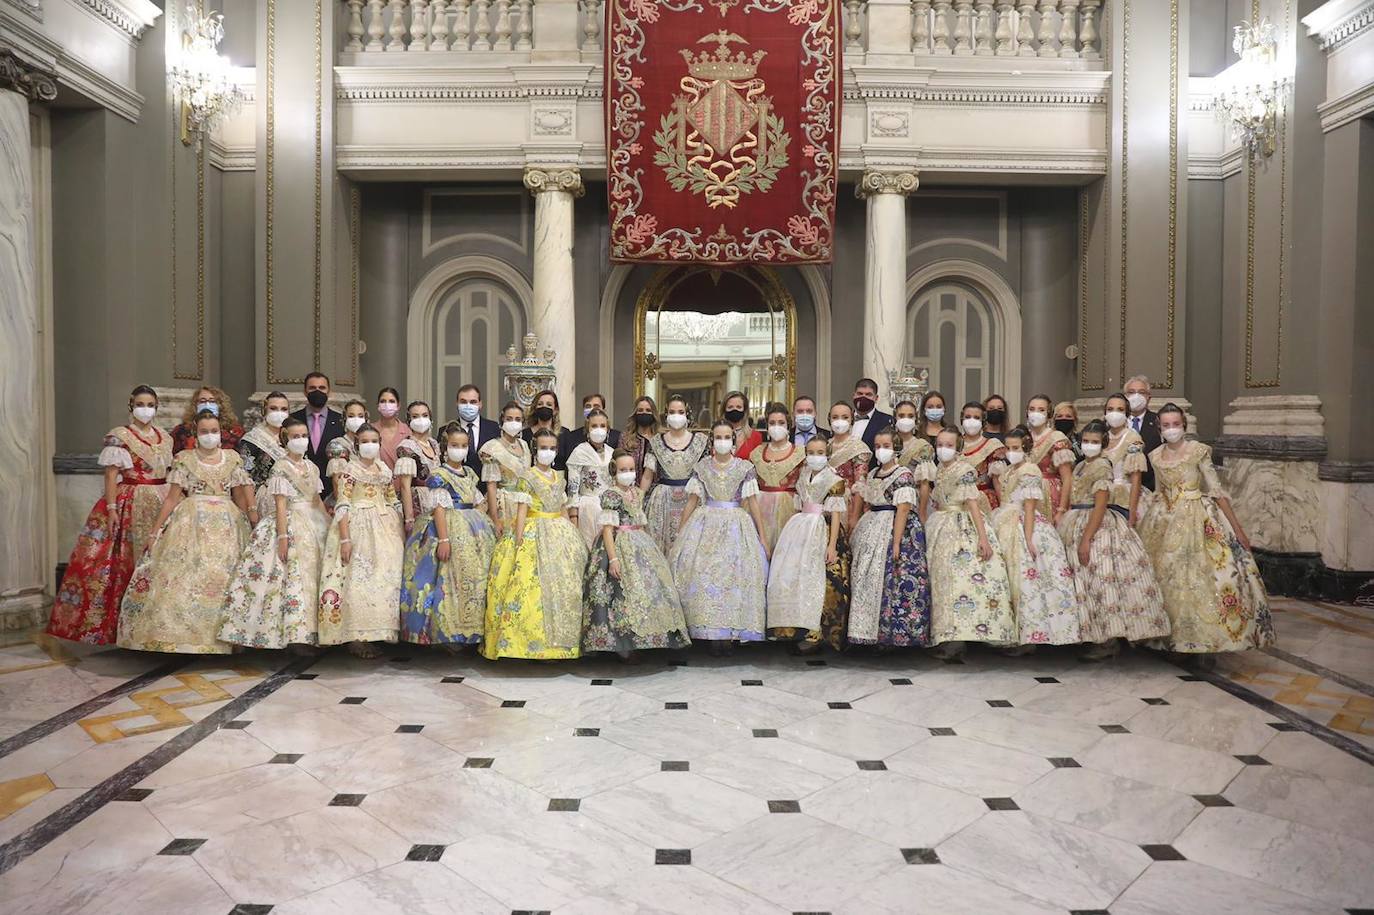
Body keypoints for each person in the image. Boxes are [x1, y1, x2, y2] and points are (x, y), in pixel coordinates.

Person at [1137, 404, 1274, 654]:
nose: (1171, 429)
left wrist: (1238, 530)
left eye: (1175, 424)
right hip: (1163, 520)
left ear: (1184, 426)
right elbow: (1158, 491)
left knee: (1201, 577)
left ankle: (1204, 640)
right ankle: (1169, 637)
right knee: (1166, 578)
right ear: (1159, 428)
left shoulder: (1198, 451)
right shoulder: (1155, 455)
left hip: (1197, 517)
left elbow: (1216, 490)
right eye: (1166, 425)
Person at [117, 410, 254, 654]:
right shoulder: (184, 459)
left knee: (227, 576)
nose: (210, 436)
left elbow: (240, 497)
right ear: (195, 434)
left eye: (214, 431)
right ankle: (186, 637)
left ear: (220, 432)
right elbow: (171, 499)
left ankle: (228, 637)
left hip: (228, 522)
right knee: (187, 574)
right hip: (191, 519)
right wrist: (154, 531)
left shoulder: (232, 458)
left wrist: (251, 525)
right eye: (204, 432)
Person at [48, 386, 172, 645]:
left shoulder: (165, 437)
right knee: (124, 560)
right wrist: (113, 508)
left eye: (150, 404)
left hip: (162, 498)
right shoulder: (121, 436)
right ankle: (122, 625)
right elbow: (111, 475)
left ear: (157, 407)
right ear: (131, 406)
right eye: (140, 403)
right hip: (131, 499)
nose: (145, 408)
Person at [1057, 419, 1170, 660]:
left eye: (1095, 442)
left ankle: (1107, 639)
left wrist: (1087, 538)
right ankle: (1090, 633)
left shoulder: (1102, 467)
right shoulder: (1080, 467)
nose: (1089, 445)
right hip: (1075, 520)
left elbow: (1100, 505)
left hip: (1095, 526)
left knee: (1101, 579)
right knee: (1083, 582)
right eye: (1086, 441)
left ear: (1103, 444)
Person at [219, 416, 330, 650]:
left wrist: (329, 525)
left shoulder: (312, 466)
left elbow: (317, 499)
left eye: (303, 436)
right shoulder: (281, 467)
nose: (300, 441)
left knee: (316, 576)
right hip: (289, 521)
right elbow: (280, 505)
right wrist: (282, 537)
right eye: (295, 437)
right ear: (285, 439)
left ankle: (315, 632)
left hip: (313, 521)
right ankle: (293, 635)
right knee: (289, 578)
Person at [483, 428, 589, 660]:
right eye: (543, 448)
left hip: (558, 530)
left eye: (552, 449)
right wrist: (519, 540)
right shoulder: (527, 477)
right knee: (527, 586)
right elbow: (522, 510)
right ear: (535, 449)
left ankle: (562, 643)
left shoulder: (559, 477)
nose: (547, 453)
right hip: (532, 528)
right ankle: (525, 644)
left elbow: (561, 507)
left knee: (564, 583)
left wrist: (570, 531)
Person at [670, 419, 770, 654]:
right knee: (705, 577)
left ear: (733, 441)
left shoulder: (744, 468)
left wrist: (762, 537)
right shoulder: (702, 467)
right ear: (712, 441)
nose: (722, 441)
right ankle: (711, 633)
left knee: (734, 578)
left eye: (727, 437)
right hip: (705, 524)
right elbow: (691, 502)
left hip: (736, 523)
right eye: (718, 437)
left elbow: (753, 504)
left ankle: (731, 633)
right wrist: (680, 534)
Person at [582, 449, 692, 659]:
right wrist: (613, 559)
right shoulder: (611, 495)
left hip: (638, 541)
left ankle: (649, 638)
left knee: (648, 588)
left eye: (632, 469)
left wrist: (649, 548)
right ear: (615, 471)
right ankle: (624, 647)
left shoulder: (636, 493)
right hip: (617, 544)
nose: (628, 473)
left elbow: (640, 521)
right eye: (623, 469)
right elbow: (607, 529)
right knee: (619, 593)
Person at [398, 424, 495, 648]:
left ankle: (472, 632)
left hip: (472, 528)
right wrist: (443, 538)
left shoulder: (470, 472)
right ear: (445, 446)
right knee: (446, 579)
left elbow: (478, 500)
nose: (458, 449)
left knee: (473, 579)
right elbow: (439, 508)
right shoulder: (439, 475)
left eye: (463, 446)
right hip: (447, 528)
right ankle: (448, 633)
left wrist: (478, 520)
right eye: (454, 445)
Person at [925, 426, 1015, 659]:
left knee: (962, 582)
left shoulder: (963, 469)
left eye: (949, 445)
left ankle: (962, 638)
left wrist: (983, 538)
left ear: (959, 448)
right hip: (942, 525)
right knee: (944, 582)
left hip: (962, 527)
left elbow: (973, 504)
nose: (943, 449)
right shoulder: (939, 470)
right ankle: (948, 635)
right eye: (940, 445)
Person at [989, 426, 1083, 649]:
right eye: (1009, 448)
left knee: (1027, 580)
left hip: (1023, 525)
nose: (1012, 452)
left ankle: (1032, 636)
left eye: (1016, 448)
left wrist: (1029, 537)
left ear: (1026, 447)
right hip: (1005, 520)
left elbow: (1029, 506)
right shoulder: (1012, 470)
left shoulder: (1029, 469)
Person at [318, 423, 404, 658]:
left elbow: (392, 498)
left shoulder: (384, 468)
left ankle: (380, 632)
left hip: (385, 524)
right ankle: (355, 637)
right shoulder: (350, 470)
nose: (370, 445)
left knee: (386, 578)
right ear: (357, 444)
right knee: (358, 579)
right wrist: (345, 539)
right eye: (365, 441)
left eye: (374, 441)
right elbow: (343, 502)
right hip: (357, 524)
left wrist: (403, 524)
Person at [848, 427, 932, 648]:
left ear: (895, 448)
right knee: (865, 578)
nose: (881, 450)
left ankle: (892, 636)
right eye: (877, 446)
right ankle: (866, 632)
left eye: (885, 446)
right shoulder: (874, 473)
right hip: (872, 524)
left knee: (892, 580)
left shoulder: (903, 474)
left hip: (894, 528)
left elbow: (903, 509)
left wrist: (896, 542)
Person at [767, 437, 850, 652]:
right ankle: (796, 628)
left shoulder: (834, 480)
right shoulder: (804, 475)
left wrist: (832, 546)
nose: (815, 456)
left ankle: (817, 634)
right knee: (795, 577)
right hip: (801, 527)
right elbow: (799, 505)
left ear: (827, 453)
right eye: (811, 452)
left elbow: (836, 514)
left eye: (820, 452)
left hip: (822, 528)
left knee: (820, 581)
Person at [642, 395, 708, 554]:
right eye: (672, 412)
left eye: (680, 411)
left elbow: (706, 475)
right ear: (666, 415)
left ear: (687, 414)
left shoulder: (701, 441)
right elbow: (647, 476)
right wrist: (637, 500)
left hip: (692, 498)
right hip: (662, 501)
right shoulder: (656, 442)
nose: (676, 415)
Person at [752, 403, 806, 552]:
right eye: (772, 423)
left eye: (781, 423)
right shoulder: (756, 453)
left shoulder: (800, 453)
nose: (777, 426)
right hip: (760, 510)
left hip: (789, 511)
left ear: (788, 425)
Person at [480, 401, 532, 538]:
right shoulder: (492, 448)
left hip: (524, 503)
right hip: (503, 504)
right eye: (509, 419)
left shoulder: (525, 445)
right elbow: (491, 486)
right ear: (502, 420)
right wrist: (495, 519)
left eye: (517, 419)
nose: (513, 423)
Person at [566, 408, 617, 547]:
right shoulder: (579, 451)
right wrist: (573, 517)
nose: (598, 429)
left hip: (608, 509)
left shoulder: (612, 452)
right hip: (587, 508)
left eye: (602, 426)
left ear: (608, 429)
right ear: (588, 428)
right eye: (594, 426)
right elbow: (573, 487)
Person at [237, 392, 291, 520]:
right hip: (267, 500)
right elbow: (245, 477)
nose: (279, 413)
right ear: (264, 410)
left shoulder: (293, 436)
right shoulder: (251, 440)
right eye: (273, 408)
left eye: (284, 409)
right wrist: (251, 510)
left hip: (293, 498)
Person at [292, 372, 345, 499]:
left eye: (322, 388)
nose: (317, 392)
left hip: (332, 489)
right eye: (312, 388)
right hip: (300, 488)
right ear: (305, 392)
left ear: (329, 391)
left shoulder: (341, 421)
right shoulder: (293, 419)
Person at [395, 400, 442, 541]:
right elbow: (404, 486)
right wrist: (409, 519)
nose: (421, 419)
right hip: (419, 503)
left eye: (424, 415)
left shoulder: (434, 444)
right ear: (409, 420)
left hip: (438, 501)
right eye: (415, 416)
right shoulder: (407, 447)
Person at [1024, 393, 1075, 523]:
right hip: (1025, 492)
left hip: (1049, 495)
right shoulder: (1024, 438)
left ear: (1049, 414)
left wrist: (1061, 510)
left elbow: (1067, 477)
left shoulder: (1056, 439)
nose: (1036, 413)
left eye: (1041, 410)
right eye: (1032, 409)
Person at [1101, 393, 1147, 525]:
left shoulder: (1133, 438)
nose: (1114, 413)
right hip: (1101, 495)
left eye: (1120, 410)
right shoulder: (1101, 437)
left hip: (1124, 497)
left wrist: (1132, 511)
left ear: (1127, 413)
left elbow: (1136, 478)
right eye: (1110, 409)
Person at [826, 401, 872, 533]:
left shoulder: (858, 447)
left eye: (845, 417)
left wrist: (855, 516)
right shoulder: (826, 446)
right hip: (825, 503)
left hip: (847, 505)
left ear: (852, 419)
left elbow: (860, 485)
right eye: (835, 417)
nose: (840, 421)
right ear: (829, 419)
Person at [958, 401, 1008, 511]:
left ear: (983, 421)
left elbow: (999, 482)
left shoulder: (992, 445)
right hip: (957, 500)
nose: (971, 420)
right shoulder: (954, 444)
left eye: (976, 417)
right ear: (961, 419)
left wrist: (1005, 510)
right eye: (967, 417)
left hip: (983, 502)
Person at [170, 386, 243, 454]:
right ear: (195, 405)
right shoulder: (181, 431)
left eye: (212, 401)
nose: (207, 404)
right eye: (202, 401)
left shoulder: (235, 431)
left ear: (221, 405)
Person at [560, 392, 622, 467]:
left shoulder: (616, 436)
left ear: (604, 410)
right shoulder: (572, 436)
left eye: (596, 406)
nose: (592, 409)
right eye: (588, 406)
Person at [454, 384, 500, 483]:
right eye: (463, 402)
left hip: (487, 487)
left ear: (480, 404)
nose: (468, 405)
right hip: (457, 487)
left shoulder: (494, 428)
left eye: (473, 402)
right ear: (457, 403)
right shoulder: (447, 430)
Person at [326, 400, 370, 501]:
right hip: (348, 499)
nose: (356, 419)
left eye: (360, 416)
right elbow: (337, 481)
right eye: (351, 416)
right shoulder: (337, 445)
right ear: (344, 419)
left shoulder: (371, 444)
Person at [1124, 374, 1162, 490]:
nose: (1136, 396)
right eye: (1131, 392)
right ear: (1125, 397)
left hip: (1149, 486)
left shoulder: (1158, 422)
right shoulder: (1114, 422)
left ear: (1149, 397)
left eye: (1141, 392)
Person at [522, 389, 571, 468]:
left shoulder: (564, 434)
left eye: (549, 404)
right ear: (535, 408)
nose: (544, 407)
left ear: (555, 410)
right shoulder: (525, 434)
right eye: (540, 404)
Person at [374, 387, 412, 470]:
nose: (387, 405)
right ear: (378, 406)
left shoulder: (408, 431)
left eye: (391, 401)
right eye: (383, 401)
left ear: (398, 406)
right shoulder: (370, 431)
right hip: (378, 481)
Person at [623, 395, 659, 483]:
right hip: (632, 489)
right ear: (635, 413)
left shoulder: (660, 439)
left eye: (648, 410)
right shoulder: (626, 437)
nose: (644, 413)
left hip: (657, 491)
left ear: (653, 414)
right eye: (640, 410)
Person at [852, 378, 893, 451]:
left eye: (868, 394)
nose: (863, 397)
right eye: (860, 394)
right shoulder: (844, 418)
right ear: (853, 395)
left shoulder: (887, 421)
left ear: (876, 398)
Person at [893, 400, 934, 470]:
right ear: (895, 418)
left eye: (910, 416)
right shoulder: (886, 444)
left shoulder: (923, 446)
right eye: (901, 416)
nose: (906, 419)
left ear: (916, 419)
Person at [722, 390, 763, 459]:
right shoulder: (716, 435)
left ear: (745, 411)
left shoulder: (755, 436)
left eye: (738, 407)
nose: (734, 410)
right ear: (724, 410)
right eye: (730, 407)